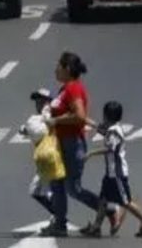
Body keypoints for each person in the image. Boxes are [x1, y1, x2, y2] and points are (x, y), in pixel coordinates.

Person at [41, 51, 104, 238]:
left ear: (67, 68)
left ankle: (106, 207)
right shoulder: (65, 89)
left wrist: (56, 121)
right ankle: (60, 224)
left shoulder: (74, 88)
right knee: (57, 184)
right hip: (60, 143)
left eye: (58, 66)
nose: (55, 69)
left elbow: (79, 115)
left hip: (72, 143)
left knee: (72, 188)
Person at [80, 101, 142, 238]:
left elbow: (110, 149)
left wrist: (90, 154)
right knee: (103, 200)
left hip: (117, 174)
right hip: (110, 173)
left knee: (125, 201)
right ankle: (96, 227)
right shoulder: (112, 129)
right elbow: (100, 128)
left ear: (106, 115)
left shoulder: (114, 132)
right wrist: (85, 120)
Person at [19, 88, 56, 216]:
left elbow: (38, 132)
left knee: (43, 191)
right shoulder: (36, 119)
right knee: (37, 191)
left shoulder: (51, 117)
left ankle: (59, 219)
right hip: (44, 162)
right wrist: (25, 129)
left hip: (51, 160)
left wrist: (27, 129)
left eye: (42, 101)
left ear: (49, 102)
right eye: (37, 101)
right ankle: (58, 218)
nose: (38, 103)